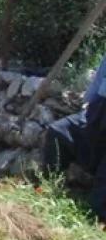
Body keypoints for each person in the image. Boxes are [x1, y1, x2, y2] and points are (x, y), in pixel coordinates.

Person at [43, 53, 106, 219]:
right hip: (98, 110)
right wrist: (88, 104)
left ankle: (98, 217)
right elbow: (99, 79)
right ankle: (47, 187)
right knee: (59, 131)